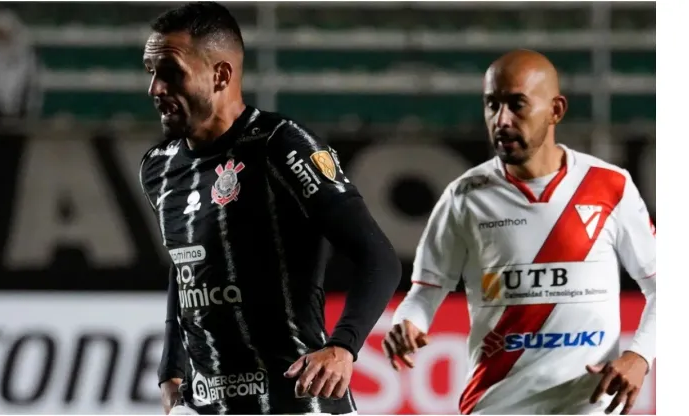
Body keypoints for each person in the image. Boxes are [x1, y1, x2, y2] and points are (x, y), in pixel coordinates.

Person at [137, 2, 401, 415]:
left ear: (220, 75)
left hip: (294, 402)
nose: (155, 88)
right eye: (151, 72)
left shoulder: (281, 145)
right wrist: (171, 364)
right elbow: (186, 263)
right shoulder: (159, 167)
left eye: (170, 73)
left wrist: (343, 346)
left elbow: (379, 257)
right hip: (206, 405)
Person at [383, 49, 655, 415]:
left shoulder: (609, 185)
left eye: (517, 104)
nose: (502, 119)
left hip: (587, 404)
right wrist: (407, 322)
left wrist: (639, 356)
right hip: (496, 404)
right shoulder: (464, 196)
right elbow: (425, 293)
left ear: (556, 110)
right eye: (491, 105)